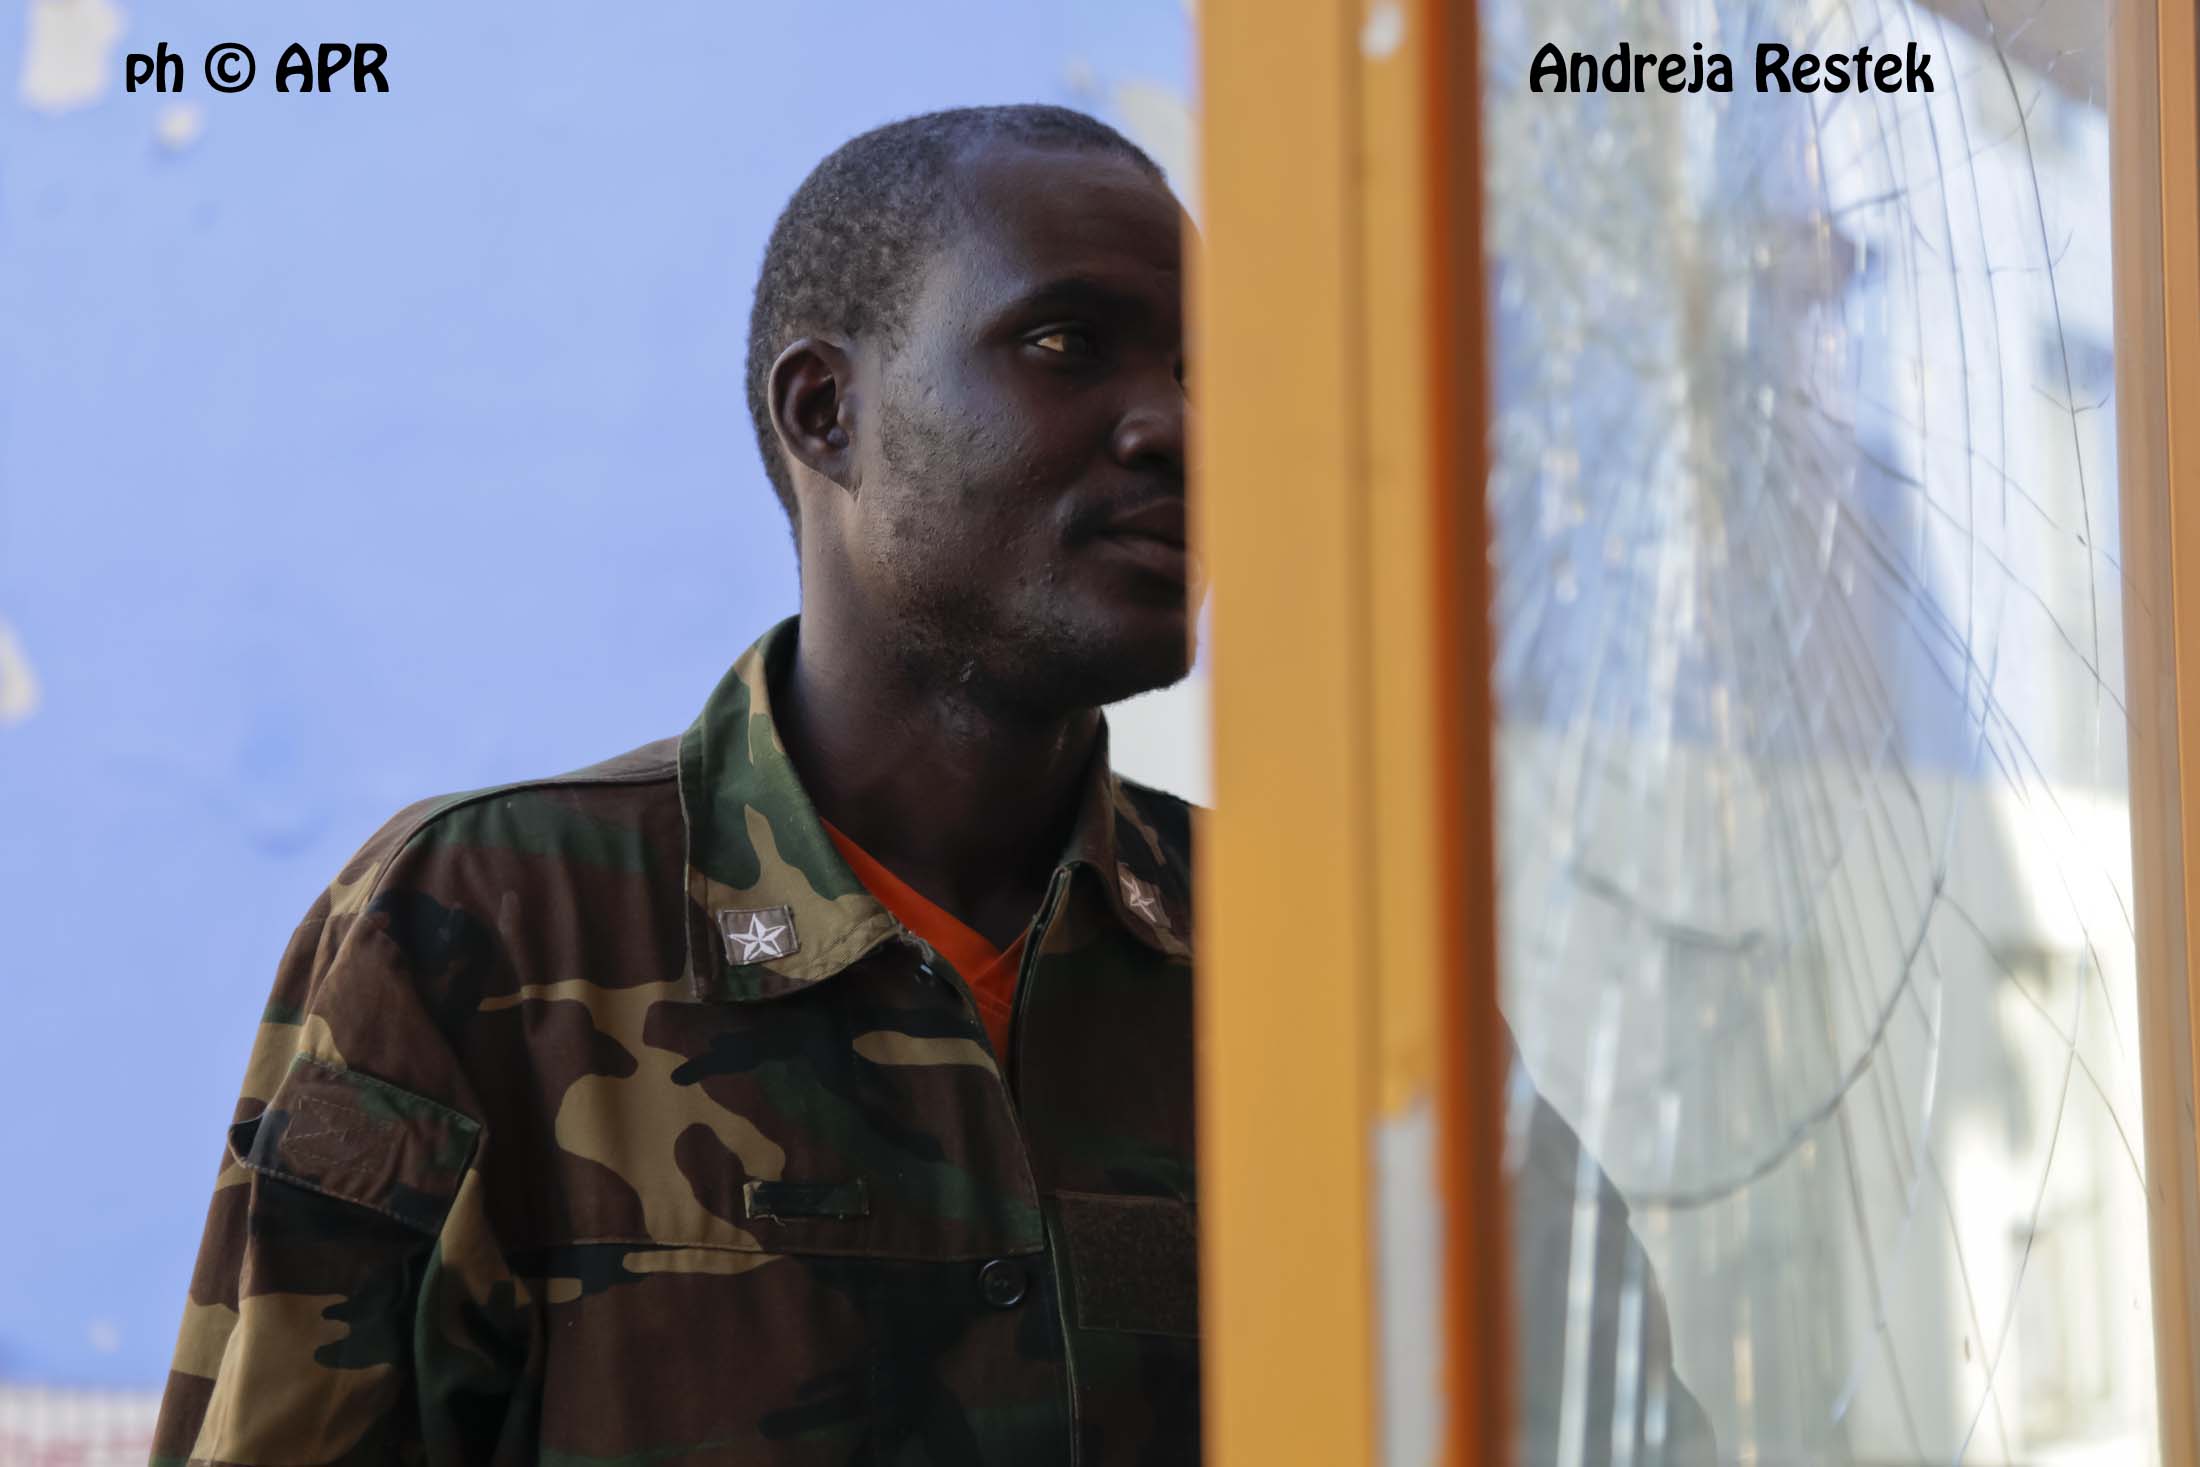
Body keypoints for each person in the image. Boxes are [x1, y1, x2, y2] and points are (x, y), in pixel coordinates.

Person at [153, 103, 1708, 1465]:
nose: (1176, 429)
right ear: (823, 412)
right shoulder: (487, 932)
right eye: (1064, 345)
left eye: (1205, 369)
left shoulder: (1331, 977)